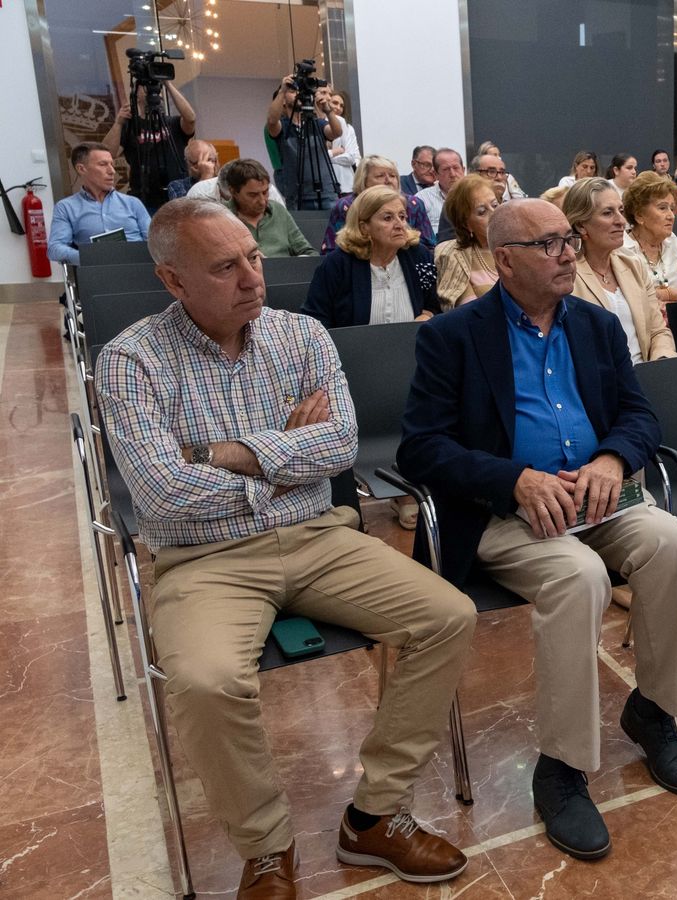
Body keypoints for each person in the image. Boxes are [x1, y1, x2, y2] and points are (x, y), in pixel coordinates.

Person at [95, 198, 474, 898]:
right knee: (207, 681)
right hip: (203, 559)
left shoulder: (302, 336)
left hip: (318, 536)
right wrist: (283, 462)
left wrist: (223, 454)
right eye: (225, 266)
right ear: (174, 281)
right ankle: (266, 848)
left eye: (253, 256)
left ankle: (375, 815)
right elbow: (161, 497)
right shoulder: (130, 360)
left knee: (446, 616)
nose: (251, 277)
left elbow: (340, 447)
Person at [397, 198, 677, 862]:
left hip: (598, 502)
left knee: (670, 541)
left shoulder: (593, 325)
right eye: (549, 245)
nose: (568, 253)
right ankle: (562, 769)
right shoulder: (453, 337)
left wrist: (611, 458)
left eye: (569, 240)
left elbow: (638, 414)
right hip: (508, 514)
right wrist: (514, 478)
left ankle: (652, 711)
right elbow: (419, 450)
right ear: (505, 260)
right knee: (578, 574)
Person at [563, 177, 676, 362]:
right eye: (608, 213)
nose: (621, 221)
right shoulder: (567, 275)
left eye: (620, 211)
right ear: (581, 225)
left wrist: (662, 360)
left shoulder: (633, 265)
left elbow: (658, 331)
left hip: (646, 378)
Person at [302, 186, 441, 329]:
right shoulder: (338, 264)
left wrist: (427, 315)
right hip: (353, 349)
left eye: (402, 216)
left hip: (411, 346)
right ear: (364, 227)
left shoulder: (418, 255)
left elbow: (435, 304)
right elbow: (315, 320)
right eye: (388, 218)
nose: (400, 225)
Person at [47, 142, 150, 266]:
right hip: (97, 273)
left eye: (112, 165)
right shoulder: (66, 207)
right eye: (103, 164)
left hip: (137, 268)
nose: (112, 171)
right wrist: (90, 258)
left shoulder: (133, 203)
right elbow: (54, 249)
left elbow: (153, 241)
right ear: (81, 169)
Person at [104, 80, 198, 211]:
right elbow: (107, 153)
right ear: (136, 93)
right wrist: (118, 123)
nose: (151, 87)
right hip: (145, 200)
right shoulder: (130, 126)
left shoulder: (173, 123)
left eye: (154, 84)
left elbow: (191, 118)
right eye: (145, 85)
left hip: (179, 196)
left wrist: (167, 84)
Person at [323, 155, 435, 253]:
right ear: (364, 181)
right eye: (380, 176)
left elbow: (429, 244)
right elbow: (332, 248)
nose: (388, 180)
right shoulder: (346, 206)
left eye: (392, 176)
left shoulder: (414, 204)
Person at [264, 74, 343, 210]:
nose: (298, 94)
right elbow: (272, 121)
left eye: (300, 91)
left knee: (333, 230)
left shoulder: (317, 123)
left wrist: (327, 109)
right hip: (297, 195)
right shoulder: (283, 126)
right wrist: (283, 90)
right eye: (293, 91)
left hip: (326, 192)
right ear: (283, 100)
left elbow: (337, 132)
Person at [224, 159, 317, 258]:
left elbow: (309, 252)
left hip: (284, 271)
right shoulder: (221, 217)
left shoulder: (278, 210)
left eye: (265, 192)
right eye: (253, 195)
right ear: (233, 192)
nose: (262, 201)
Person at [433, 174, 500, 309]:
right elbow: (468, 315)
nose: (494, 213)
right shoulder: (454, 255)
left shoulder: (520, 246)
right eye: (482, 212)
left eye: (495, 205)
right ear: (465, 224)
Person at [620, 171, 677, 304]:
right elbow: (626, 295)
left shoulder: (672, 241)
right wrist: (666, 293)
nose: (671, 216)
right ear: (639, 215)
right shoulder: (623, 249)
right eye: (662, 208)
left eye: (672, 208)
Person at [415, 148, 466, 239]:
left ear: (463, 170)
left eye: (456, 168)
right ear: (435, 174)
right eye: (446, 169)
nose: (453, 174)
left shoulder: (476, 196)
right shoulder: (422, 199)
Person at [325, 91, 360, 196]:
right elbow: (317, 158)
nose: (338, 108)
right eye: (335, 103)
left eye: (341, 106)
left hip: (347, 185)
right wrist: (338, 151)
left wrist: (328, 156)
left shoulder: (348, 129)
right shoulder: (319, 125)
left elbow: (351, 157)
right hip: (327, 184)